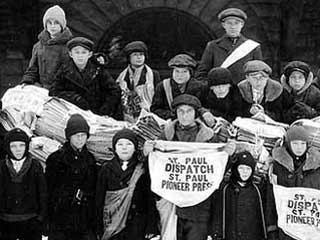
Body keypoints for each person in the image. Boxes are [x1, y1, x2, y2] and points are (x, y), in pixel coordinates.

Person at [145, 94, 235, 240]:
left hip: (199, 205)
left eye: (189, 111)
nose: (184, 115)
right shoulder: (165, 137)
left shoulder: (209, 137)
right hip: (171, 203)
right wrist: (148, 154)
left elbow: (217, 169)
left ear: (195, 114)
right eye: (181, 111)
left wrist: (228, 156)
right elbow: (155, 168)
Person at [95, 129, 159, 240]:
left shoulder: (142, 169)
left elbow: (150, 199)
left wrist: (151, 227)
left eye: (129, 144)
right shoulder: (106, 170)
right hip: (112, 225)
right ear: (115, 148)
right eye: (120, 144)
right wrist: (97, 228)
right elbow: (99, 200)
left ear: (135, 148)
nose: (124, 148)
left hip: (137, 227)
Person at [46, 114, 97, 240]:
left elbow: (92, 188)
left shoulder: (90, 159)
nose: (80, 139)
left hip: (83, 218)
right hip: (60, 217)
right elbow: (48, 190)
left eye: (83, 135)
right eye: (76, 135)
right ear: (69, 136)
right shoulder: (56, 158)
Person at [210, 151, 277, 240]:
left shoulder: (258, 190)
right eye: (241, 168)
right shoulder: (225, 189)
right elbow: (217, 213)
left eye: (248, 169)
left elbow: (267, 213)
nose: (245, 172)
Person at [49, 37, 121, 118]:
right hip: (73, 114)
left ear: (90, 54)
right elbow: (53, 91)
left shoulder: (98, 70)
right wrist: (74, 98)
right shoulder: (64, 71)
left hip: (97, 115)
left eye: (84, 52)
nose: (80, 56)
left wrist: (104, 111)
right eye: (77, 52)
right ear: (71, 54)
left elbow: (114, 90)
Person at [269, 125, 320, 240]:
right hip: (285, 229)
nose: (299, 148)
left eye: (302, 144)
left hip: (310, 230)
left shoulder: (316, 167)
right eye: (295, 143)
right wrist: (271, 228)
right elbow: (272, 198)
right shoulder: (278, 167)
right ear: (288, 144)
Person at [0, 128, 47, 240]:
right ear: (8, 147)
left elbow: (42, 194)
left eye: (22, 145)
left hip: (30, 221)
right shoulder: (1, 167)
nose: (18, 150)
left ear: (27, 146)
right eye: (13, 146)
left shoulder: (35, 166)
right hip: (6, 222)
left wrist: (40, 219)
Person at [196, 7, 262, 84]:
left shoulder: (253, 47)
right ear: (223, 25)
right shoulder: (212, 46)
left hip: (242, 92)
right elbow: (201, 74)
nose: (233, 27)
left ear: (242, 25)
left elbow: (258, 74)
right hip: (220, 91)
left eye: (236, 23)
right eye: (229, 23)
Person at [150, 54, 215, 126]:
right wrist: (173, 115)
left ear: (190, 73)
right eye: (177, 71)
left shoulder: (200, 87)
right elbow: (155, 109)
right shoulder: (163, 86)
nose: (180, 75)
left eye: (184, 72)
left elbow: (206, 107)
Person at [21, 5, 73, 89]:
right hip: (41, 89)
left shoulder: (70, 45)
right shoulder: (38, 46)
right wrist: (27, 81)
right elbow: (32, 69)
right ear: (45, 25)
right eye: (49, 23)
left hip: (62, 90)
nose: (52, 26)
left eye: (56, 23)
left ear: (62, 25)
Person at [116, 41, 161, 122]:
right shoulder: (121, 77)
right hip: (127, 116)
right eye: (135, 55)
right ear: (129, 58)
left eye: (141, 55)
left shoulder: (153, 75)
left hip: (149, 116)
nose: (139, 57)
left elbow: (159, 98)